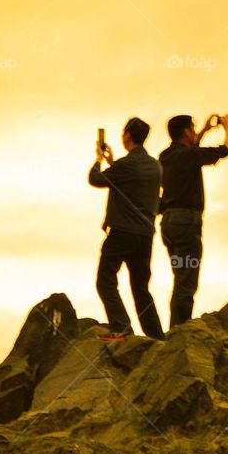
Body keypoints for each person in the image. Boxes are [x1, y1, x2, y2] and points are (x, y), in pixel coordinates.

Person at [88, 117, 165, 340]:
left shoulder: (126, 165)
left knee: (105, 280)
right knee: (141, 289)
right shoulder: (155, 165)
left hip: (122, 232)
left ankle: (121, 327)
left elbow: (95, 179)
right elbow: (133, 184)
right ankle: (156, 337)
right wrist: (114, 163)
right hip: (145, 235)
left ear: (127, 136)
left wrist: (99, 159)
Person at [159, 113, 228, 328]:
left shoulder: (164, 156)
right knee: (186, 281)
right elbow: (226, 149)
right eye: (192, 128)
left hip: (169, 223)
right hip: (186, 223)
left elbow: (191, 151)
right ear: (185, 131)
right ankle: (179, 331)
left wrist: (203, 131)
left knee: (180, 276)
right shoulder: (190, 156)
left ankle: (176, 327)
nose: (194, 132)